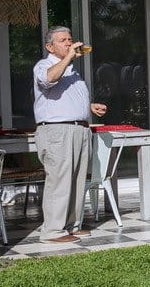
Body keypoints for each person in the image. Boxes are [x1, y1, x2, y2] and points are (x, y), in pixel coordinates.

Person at [31, 26, 107, 244]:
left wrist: (89, 106)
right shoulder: (45, 65)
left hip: (78, 129)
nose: (69, 43)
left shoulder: (72, 71)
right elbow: (47, 80)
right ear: (49, 46)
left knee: (76, 180)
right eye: (63, 40)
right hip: (57, 131)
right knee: (60, 180)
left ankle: (70, 226)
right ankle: (52, 231)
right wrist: (69, 58)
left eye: (70, 39)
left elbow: (62, 98)